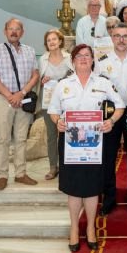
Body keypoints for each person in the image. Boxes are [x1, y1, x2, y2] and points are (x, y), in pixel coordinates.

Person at [48, 44, 125, 252]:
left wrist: (111, 121)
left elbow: (120, 105)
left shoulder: (102, 83)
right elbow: (53, 110)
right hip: (71, 143)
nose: (83, 59)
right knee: (73, 189)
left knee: (91, 188)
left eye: (87, 56)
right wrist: (58, 122)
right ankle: (74, 228)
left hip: (93, 144)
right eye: (79, 56)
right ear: (72, 60)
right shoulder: (63, 84)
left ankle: (90, 228)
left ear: (93, 60)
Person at [96, 23, 127, 217]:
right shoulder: (102, 61)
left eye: (125, 36)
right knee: (107, 157)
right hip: (110, 115)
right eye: (117, 36)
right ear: (112, 38)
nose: (121, 40)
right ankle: (108, 199)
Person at [0, 18, 40, 191]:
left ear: (22, 32)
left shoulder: (30, 51)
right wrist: (10, 95)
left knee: (22, 138)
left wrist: (21, 94)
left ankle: (20, 173)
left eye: (17, 29)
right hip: (3, 99)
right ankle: (2, 175)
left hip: (23, 99)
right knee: (3, 139)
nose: (14, 32)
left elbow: (35, 75)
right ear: (5, 31)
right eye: (10, 28)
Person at [38, 29, 74, 180]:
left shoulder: (69, 58)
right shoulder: (42, 59)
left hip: (67, 102)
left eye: (54, 39)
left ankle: (68, 165)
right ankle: (53, 167)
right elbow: (38, 81)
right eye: (48, 40)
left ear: (60, 41)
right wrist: (42, 81)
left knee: (68, 133)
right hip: (48, 103)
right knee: (52, 135)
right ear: (46, 44)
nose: (51, 42)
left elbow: (75, 76)